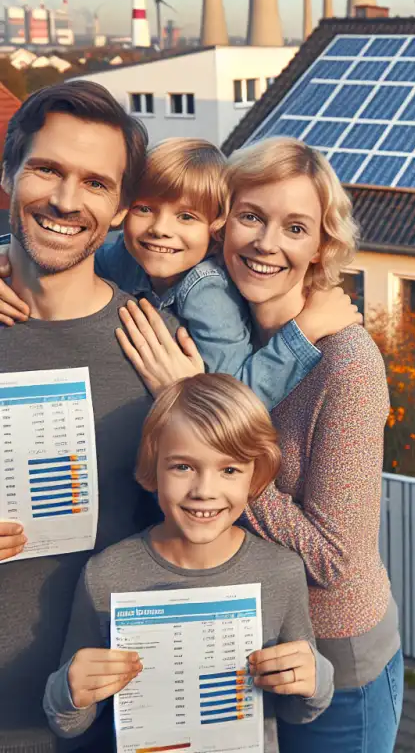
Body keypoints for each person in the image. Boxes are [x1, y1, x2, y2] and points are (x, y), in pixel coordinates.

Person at [116, 138, 403, 753]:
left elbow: (332, 561)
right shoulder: (214, 320)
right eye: (251, 217)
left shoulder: (345, 364)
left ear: (321, 246)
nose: (265, 243)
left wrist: (195, 410)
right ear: (222, 223)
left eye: (294, 227)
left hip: (333, 655)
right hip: (234, 645)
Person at [0, 80, 170, 752]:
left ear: (123, 206)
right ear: (9, 173)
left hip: (112, 726)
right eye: (47, 169)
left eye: (96, 183)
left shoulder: (155, 344)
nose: (67, 201)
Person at [43, 373, 335, 751]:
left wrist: (316, 678)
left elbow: (297, 710)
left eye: (229, 470)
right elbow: (70, 723)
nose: (204, 491)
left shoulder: (281, 572)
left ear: (255, 476)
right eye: (183, 466)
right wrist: (67, 690)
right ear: (153, 467)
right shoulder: (106, 575)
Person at [0, 137, 362, 407]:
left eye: (186, 217)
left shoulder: (208, 292)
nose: (160, 228)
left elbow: (239, 399)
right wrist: (8, 256)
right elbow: (69, 254)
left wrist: (304, 334)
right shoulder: (128, 254)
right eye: (145, 209)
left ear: (213, 225)